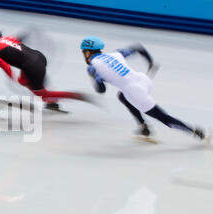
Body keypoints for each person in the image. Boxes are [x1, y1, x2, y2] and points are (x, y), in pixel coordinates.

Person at [80, 35, 210, 142]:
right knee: (122, 96)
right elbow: (138, 47)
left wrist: (94, 78)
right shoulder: (116, 54)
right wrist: (150, 62)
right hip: (143, 80)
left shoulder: (93, 67)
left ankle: (195, 131)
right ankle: (143, 127)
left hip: (135, 92)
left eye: (83, 53)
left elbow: (101, 90)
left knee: (163, 118)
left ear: (87, 52)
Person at [0, 24, 91, 112]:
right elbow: (19, 39)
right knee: (23, 80)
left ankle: (75, 95)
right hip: (39, 58)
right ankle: (52, 103)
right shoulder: (7, 38)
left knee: (41, 94)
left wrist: (10, 79)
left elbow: (6, 66)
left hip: (31, 66)